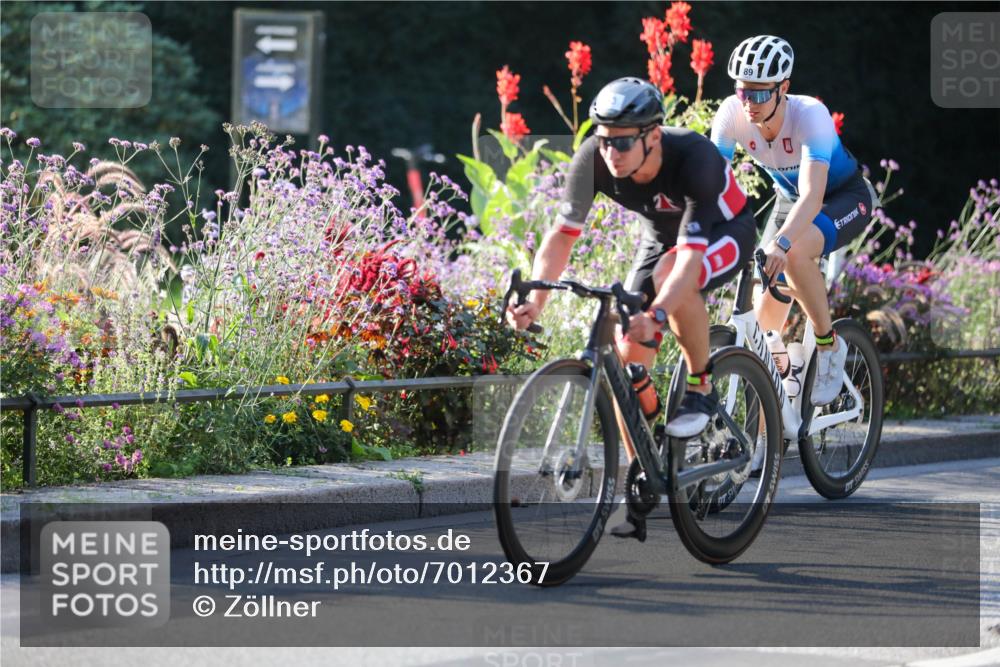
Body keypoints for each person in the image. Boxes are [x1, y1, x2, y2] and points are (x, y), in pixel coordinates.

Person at [505, 76, 757, 538]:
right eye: (603, 141)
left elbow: (686, 265)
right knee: (626, 354)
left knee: (669, 281)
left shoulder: (693, 158)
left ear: (653, 136)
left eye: (622, 143)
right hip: (662, 239)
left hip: (726, 230)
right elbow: (561, 237)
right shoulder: (595, 160)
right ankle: (642, 476)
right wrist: (536, 300)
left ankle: (701, 386)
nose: (610, 153)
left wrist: (658, 314)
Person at [712, 35, 880, 405]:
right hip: (790, 202)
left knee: (795, 252)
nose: (748, 104)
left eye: (759, 94)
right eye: (743, 92)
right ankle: (781, 381)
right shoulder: (731, 114)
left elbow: (813, 195)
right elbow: (712, 184)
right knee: (761, 324)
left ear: (783, 88)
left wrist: (783, 243)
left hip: (842, 196)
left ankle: (828, 345)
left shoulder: (810, 115)